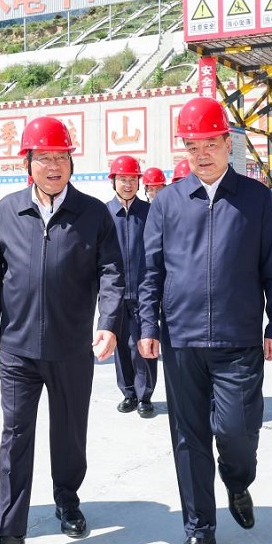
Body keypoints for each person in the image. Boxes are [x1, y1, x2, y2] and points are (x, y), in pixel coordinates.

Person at [138, 97, 272, 544]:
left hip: (237, 338)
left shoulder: (255, 199)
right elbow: (150, 271)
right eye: (192, 145)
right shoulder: (167, 202)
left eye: (210, 143)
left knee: (236, 430)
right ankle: (199, 529)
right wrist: (147, 325)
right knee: (189, 438)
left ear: (228, 143)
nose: (201, 154)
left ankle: (238, 480)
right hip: (181, 340)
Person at [0, 116, 124, 544]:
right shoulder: (8, 210)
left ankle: (67, 499)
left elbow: (112, 272)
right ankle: (7, 535)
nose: (53, 166)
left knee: (69, 432)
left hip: (71, 347)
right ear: (28, 164)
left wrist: (109, 321)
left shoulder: (92, 213)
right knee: (15, 437)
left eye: (61, 157)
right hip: (18, 348)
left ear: (72, 162)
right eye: (44, 158)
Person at [106, 155, 158, 418]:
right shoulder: (104, 214)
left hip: (144, 291)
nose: (127, 184)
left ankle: (145, 395)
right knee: (120, 345)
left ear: (139, 182)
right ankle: (128, 392)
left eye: (132, 179)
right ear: (113, 181)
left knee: (143, 344)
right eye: (122, 179)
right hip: (114, 293)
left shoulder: (149, 213)